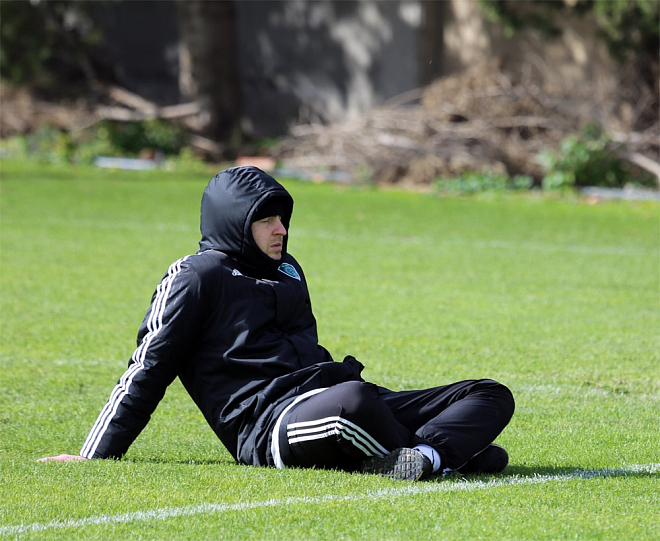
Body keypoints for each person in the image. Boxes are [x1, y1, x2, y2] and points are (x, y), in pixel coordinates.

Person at [40, 166, 514, 481]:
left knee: (489, 394)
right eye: (265, 220)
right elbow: (147, 368)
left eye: (282, 218)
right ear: (234, 222)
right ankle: (446, 454)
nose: (280, 229)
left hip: (332, 394)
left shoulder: (288, 270)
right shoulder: (195, 277)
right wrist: (93, 455)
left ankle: (427, 458)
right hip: (270, 425)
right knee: (354, 402)